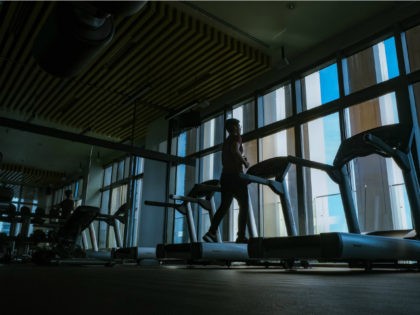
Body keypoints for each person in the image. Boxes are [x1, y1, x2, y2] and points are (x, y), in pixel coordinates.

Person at [203, 118, 250, 244]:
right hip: (236, 176)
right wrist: (245, 162)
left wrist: (240, 158)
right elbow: (235, 150)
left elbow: (230, 154)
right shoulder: (236, 137)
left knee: (224, 206)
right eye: (238, 125)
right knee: (244, 206)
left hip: (225, 177)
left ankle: (211, 232)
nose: (240, 128)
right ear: (234, 127)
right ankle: (241, 236)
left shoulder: (226, 141)